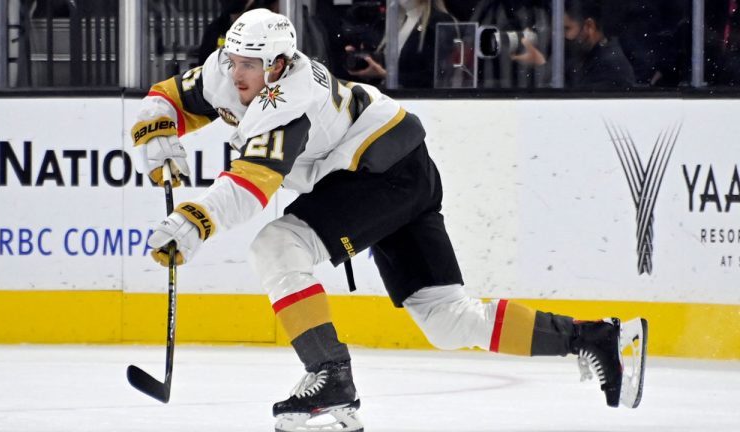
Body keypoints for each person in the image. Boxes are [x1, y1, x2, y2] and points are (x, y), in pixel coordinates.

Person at [131, 8, 648, 431]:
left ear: (280, 64)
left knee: (277, 245)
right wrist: (157, 129)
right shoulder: (228, 70)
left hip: (382, 174)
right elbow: (170, 96)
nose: (238, 73)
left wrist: (195, 220)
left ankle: (330, 375)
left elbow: (251, 183)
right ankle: (598, 338)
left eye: (252, 65)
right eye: (234, 59)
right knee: (448, 320)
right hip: (400, 167)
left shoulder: (289, 101)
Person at [513, 0, 635, 88]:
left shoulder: (610, 68)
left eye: (566, 29)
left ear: (589, 26)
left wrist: (541, 66)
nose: (560, 37)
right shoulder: (582, 55)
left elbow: (576, 110)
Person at [344, 0, 458, 88]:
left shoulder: (439, 21)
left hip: (418, 101)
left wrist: (386, 75)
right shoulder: (388, 21)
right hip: (386, 99)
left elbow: (435, 76)